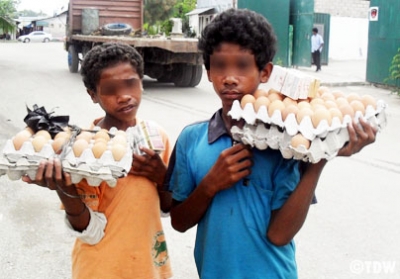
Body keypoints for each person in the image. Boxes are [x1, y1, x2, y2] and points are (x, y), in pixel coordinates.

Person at [166, 8, 377, 279]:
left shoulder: (285, 143)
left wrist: (319, 157)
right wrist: (210, 185)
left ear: (265, 72)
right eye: (219, 65)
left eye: (242, 65)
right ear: (208, 71)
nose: (229, 77)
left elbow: (279, 235)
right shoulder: (192, 139)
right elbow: (179, 222)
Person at [23, 42, 173, 279]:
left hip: (149, 268)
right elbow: (88, 230)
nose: (124, 96)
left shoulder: (156, 138)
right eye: (111, 89)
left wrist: (163, 177)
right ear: (93, 95)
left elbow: (167, 208)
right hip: (99, 270)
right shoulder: (82, 151)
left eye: (131, 83)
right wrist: (64, 187)